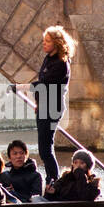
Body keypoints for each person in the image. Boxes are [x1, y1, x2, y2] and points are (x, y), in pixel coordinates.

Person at [21, 25, 76, 184]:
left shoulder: (61, 63)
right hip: (45, 106)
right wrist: (38, 102)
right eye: (43, 41)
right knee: (44, 148)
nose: (43, 44)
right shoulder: (49, 59)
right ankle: (52, 179)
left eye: (47, 41)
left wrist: (21, 87)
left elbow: (44, 85)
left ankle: (53, 180)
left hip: (53, 108)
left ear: (57, 43)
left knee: (45, 149)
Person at [1, 139, 45, 204]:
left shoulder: (36, 176)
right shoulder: (4, 176)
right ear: (9, 158)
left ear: (26, 155)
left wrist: (12, 193)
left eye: (21, 153)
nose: (18, 156)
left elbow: (35, 199)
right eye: (15, 154)